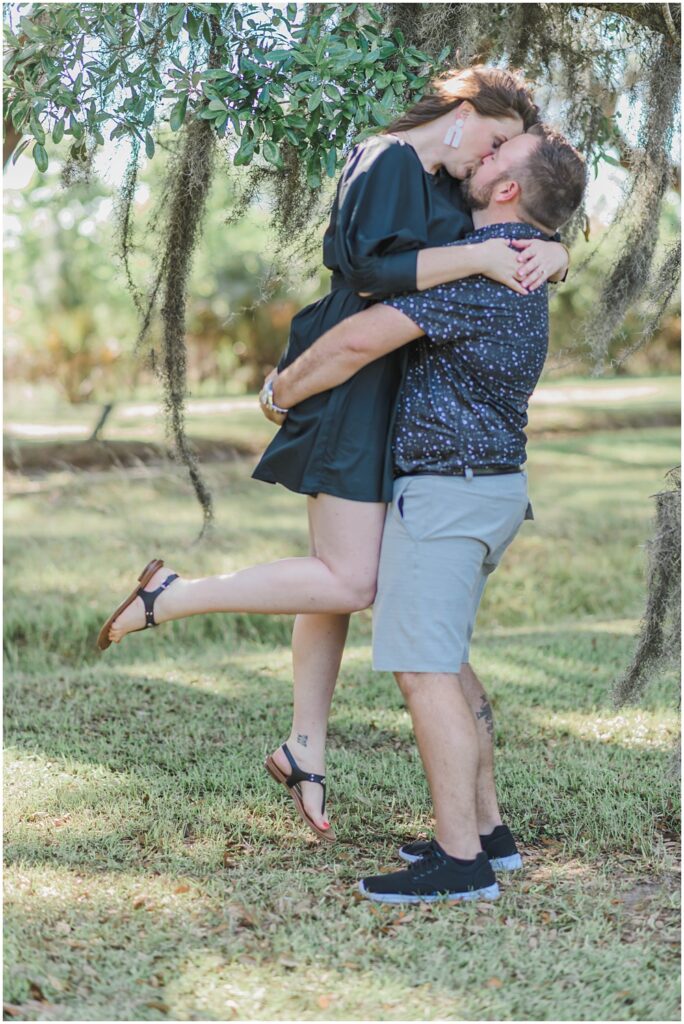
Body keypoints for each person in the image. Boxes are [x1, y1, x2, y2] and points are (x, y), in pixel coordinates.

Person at [97, 67, 570, 843]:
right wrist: (485, 260)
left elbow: (516, 227)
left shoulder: (453, 185)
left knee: (348, 575)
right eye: (493, 143)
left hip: (408, 388)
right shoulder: (382, 158)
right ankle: (172, 597)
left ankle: (305, 746)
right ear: (463, 111)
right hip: (353, 378)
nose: (489, 164)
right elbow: (367, 272)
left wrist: (552, 256)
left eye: (502, 157)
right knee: (351, 578)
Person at [265, 123, 587, 901]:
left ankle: (461, 862)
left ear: (508, 191)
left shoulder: (483, 277)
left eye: (497, 158)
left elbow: (354, 344)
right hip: (485, 489)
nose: (481, 158)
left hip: (449, 495)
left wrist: (280, 393)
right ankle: (490, 832)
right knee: (450, 661)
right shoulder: (518, 266)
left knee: (425, 670)